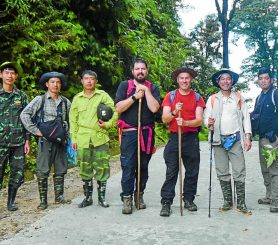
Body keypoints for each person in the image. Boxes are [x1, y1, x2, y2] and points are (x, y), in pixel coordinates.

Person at [115, 58, 160, 214]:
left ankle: (138, 196)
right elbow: (118, 108)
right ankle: (126, 198)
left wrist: (145, 91)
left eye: (143, 69)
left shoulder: (153, 88)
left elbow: (154, 109)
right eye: (137, 69)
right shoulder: (124, 86)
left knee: (143, 167)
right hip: (129, 134)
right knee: (128, 166)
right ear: (132, 71)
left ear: (147, 71)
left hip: (146, 134)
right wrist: (134, 96)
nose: (140, 71)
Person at [203, 68, 252, 213]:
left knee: (239, 170)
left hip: (235, 139)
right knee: (222, 171)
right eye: (222, 79)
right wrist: (209, 123)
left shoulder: (238, 98)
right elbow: (206, 117)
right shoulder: (212, 99)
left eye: (228, 79)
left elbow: (246, 118)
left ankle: (241, 203)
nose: (225, 81)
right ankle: (227, 201)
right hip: (218, 140)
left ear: (232, 81)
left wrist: (247, 137)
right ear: (218, 82)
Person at [21, 71, 71, 210]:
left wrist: (68, 136)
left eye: (58, 82)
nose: (55, 85)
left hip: (61, 141)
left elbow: (71, 120)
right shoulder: (40, 99)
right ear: (47, 84)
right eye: (52, 82)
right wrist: (36, 131)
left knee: (61, 169)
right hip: (45, 141)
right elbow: (24, 114)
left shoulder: (66, 102)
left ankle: (59, 197)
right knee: (43, 171)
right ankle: (43, 200)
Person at [159, 67, 206, 217]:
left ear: (191, 80)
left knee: (192, 171)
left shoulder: (198, 97)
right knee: (171, 171)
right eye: (181, 78)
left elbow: (199, 121)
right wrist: (174, 112)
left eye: (187, 78)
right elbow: (164, 119)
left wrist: (185, 122)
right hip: (174, 138)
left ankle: (188, 199)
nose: (184, 81)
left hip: (191, 139)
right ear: (177, 80)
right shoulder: (170, 96)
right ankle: (166, 202)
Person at [69, 70, 117, 208]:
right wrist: (73, 138)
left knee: (102, 167)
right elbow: (73, 120)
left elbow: (115, 111)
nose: (89, 81)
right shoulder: (77, 98)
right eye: (86, 79)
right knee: (85, 167)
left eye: (92, 79)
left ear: (96, 81)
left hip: (100, 137)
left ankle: (102, 198)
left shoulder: (102, 96)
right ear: (82, 81)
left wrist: (108, 124)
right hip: (82, 138)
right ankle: (88, 197)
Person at [250, 67, 278, 213]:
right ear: (258, 81)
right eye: (261, 78)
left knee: (276, 169)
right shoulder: (259, 97)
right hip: (262, 138)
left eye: (266, 78)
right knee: (265, 168)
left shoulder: (277, 95)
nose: (263, 81)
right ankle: (269, 195)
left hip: (275, 138)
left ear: (271, 80)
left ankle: (276, 200)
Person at [0, 62, 30, 211]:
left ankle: (10, 202)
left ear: (16, 76)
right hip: (0, 142)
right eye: (6, 72)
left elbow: (27, 119)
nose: (9, 76)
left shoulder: (21, 96)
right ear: (1, 75)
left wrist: (27, 140)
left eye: (12, 73)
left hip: (18, 142)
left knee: (17, 173)